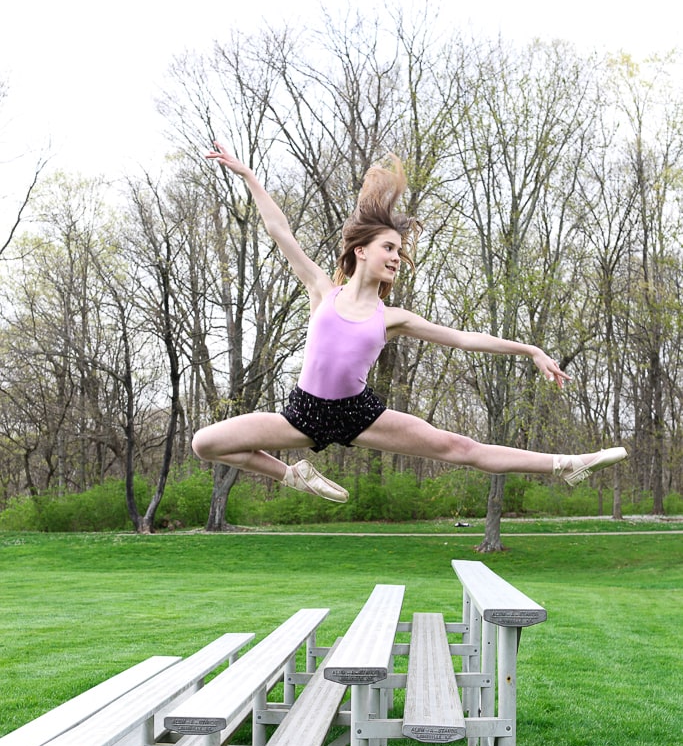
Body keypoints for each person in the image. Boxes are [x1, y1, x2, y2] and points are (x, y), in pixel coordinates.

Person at [192, 144, 626, 503]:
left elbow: (465, 339)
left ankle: (567, 464)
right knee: (205, 443)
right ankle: (293, 475)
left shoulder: (393, 319)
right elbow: (279, 231)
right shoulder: (323, 291)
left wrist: (529, 350)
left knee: (460, 449)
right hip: (303, 412)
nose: (397, 257)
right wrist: (249, 175)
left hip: (359, 413)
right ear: (361, 250)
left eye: (400, 251)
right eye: (389, 247)